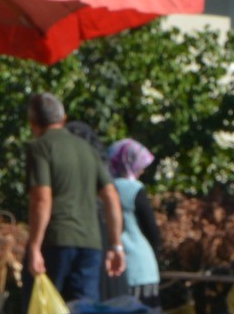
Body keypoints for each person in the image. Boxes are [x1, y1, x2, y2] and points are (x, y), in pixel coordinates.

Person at [22, 92, 122, 301]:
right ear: (63, 118)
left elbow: (42, 199)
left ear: (32, 122)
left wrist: (34, 246)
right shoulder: (87, 148)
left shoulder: (39, 147)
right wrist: (115, 245)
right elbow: (111, 196)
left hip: (56, 240)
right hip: (90, 243)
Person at [106, 139, 165, 302]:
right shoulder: (133, 189)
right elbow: (151, 230)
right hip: (140, 268)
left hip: (110, 269)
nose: (142, 171)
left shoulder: (101, 187)